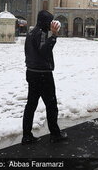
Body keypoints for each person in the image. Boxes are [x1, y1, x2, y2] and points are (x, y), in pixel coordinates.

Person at [22, 10, 67, 144]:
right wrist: (53, 36)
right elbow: (44, 51)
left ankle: (26, 135)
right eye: (50, 22)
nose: (51, 25)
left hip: (31, 72)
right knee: (51, 105)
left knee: (31, 105)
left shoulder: (30, 32)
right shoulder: (41, 33)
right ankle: (55, 134)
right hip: (42, 74)